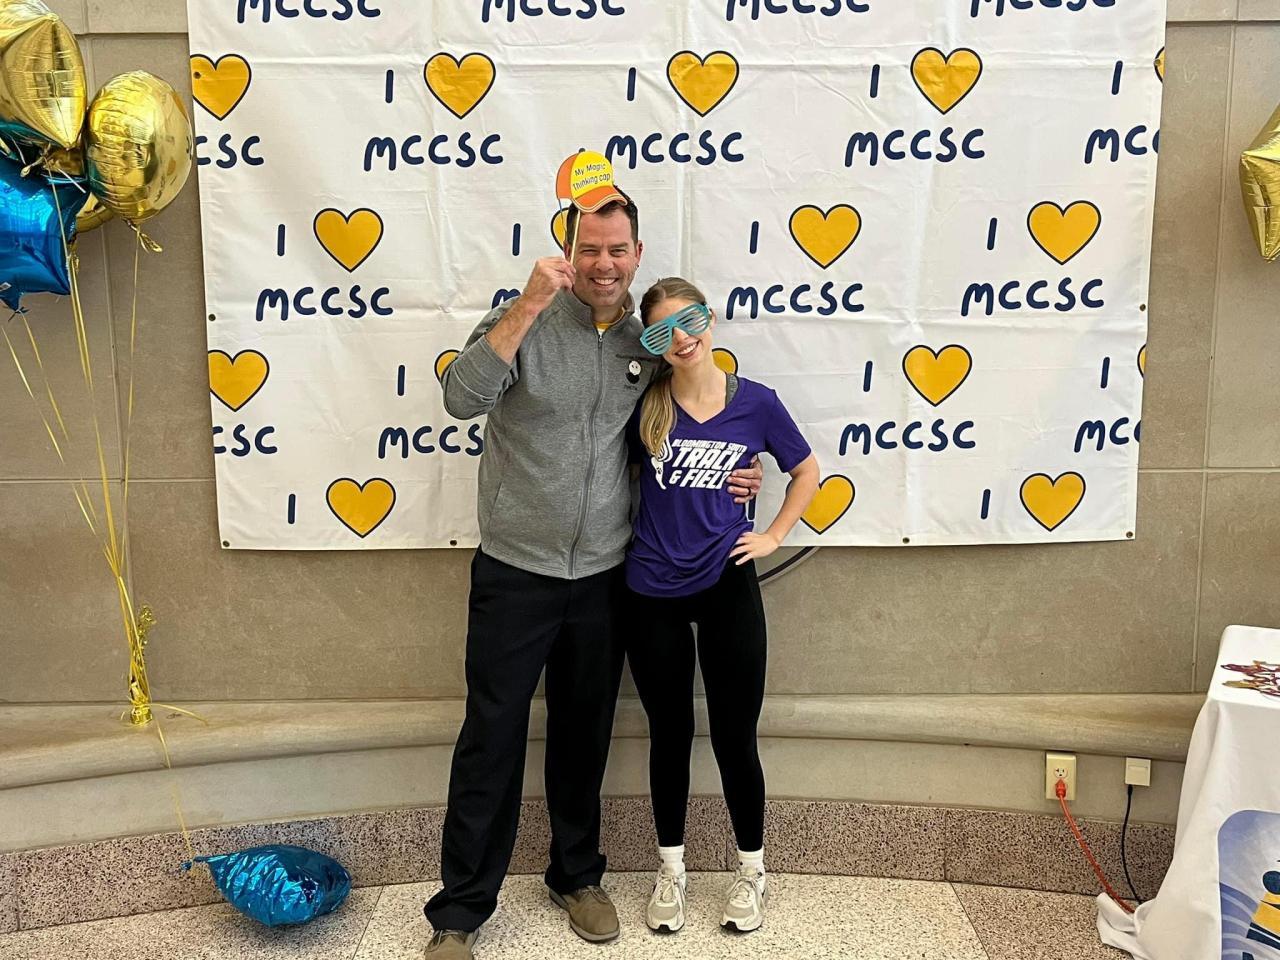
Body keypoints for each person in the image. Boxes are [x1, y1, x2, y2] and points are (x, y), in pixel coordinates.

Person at [424, 193, 762, 959]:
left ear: (636, 255)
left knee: (584, 735)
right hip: (516, 571)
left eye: (616, 250)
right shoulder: (522, 318)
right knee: (491, 737)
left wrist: (741, 474)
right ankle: (460, 911)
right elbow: (461, 399)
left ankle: (576, 876)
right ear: (568, 251)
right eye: (589, 249)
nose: (603, 264)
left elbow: (696, 422)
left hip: (607, 576)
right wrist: (527, 306)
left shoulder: (649, 345)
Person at [624, 277, 820, 935]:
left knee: (736, 734)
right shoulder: (642, 406)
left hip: (728, 583)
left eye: (691, 321)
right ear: (651, 343)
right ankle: (671, 871)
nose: (682, 339)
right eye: (663, 331)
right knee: (670, 734)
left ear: (710, 320)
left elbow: (806, 471)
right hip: (650, 590)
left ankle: (752, 871)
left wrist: (774, 535)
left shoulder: (756, 403)